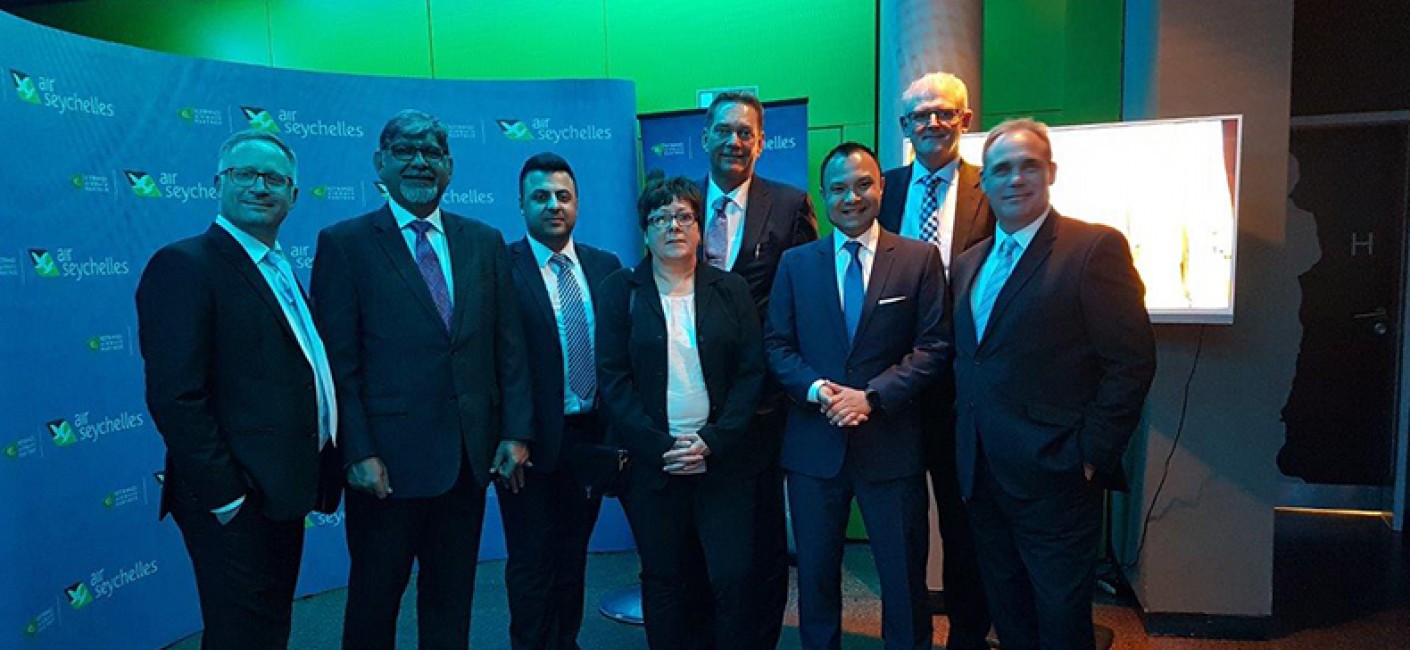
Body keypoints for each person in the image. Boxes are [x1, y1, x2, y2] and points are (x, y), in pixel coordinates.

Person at [310, 109, 534, 650]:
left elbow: (508, 347)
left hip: (465, 461)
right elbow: (339, 364)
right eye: (405, 151)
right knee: (374, 603)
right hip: (385, 467)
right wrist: (357, 450)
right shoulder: (345, 244)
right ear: (380, 163)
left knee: (451, 604)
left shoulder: (483, 241)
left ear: (449, 167)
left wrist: (514, 431)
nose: (419, 162)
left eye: (432, 152)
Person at [951, 118, 1156, 650]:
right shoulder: (969, 264)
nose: (1015, 179)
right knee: (1008, 610)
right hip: (982, 473)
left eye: (1029, 166)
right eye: (1001, 169)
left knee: (1061, 618)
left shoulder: (1092, 248)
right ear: (984, 182)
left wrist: (1090, 455)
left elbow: (1131, 362)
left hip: (1056, 474)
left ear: (1051, 172)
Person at [136, 129, 339, 649]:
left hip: (281, 491)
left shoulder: (279, 268)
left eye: (274, 178)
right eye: (245, 174)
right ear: (218, 184)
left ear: (293, 195)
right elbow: (176, 396)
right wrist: (226, 498)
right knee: (240, 635)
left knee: (265, 629)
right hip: (233, 500)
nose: (260, 186)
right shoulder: (185, 265)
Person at [765, 142, 947, 650]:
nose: (851, 197)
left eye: (863, 185)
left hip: (890, 445)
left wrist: (871, 396)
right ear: (824, 196)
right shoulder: (796, 264)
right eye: (839, 188)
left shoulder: (918, 259)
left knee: (903, 579)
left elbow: (934, 346)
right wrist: (819, 390)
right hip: (814, 448)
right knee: (816, 580)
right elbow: (776, 344)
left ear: (881, 187)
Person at [595, 172, 765, 649]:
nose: (673, 226)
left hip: (723, 462)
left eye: (684, 216)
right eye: (661, 217)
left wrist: (712, 440)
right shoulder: (620, 290)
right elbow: (613, 378)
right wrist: (660, 447)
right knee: (664, 578)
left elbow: (751, 373)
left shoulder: (731, 289)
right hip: (655, 465)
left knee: (731, 577)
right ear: (645, 230)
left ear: (699, 227)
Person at [876, 71, 994, 650]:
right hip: (894, 384)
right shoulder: (882, 189)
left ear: (965, 120)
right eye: (920, 115)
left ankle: (968, 636)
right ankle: (909, 636)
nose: (932, 123)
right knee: (900, 522)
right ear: (905, 126)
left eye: (945, 113)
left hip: (963, 387)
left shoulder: (991, 188)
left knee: (962, 518)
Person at [698, 89, 818, 649]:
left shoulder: (790, 205)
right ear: (705, 137)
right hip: (691, 400)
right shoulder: (680, 204)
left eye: (745, 132)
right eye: (724, 130)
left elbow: (807, 300)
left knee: (765, 535)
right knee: (702, 535)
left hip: (764, 405)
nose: (734, 141)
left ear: (762, 143)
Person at [500, 152, 622, 650]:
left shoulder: (605, 266)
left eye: (563, 196)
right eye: (541, 197)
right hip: (528, 444)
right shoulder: (500, 267)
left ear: (577, 203)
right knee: (531, 564)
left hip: (590, 439)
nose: (554, 205)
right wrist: (511, 433)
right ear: (521, 205)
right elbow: (495, 362)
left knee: (573, 559)